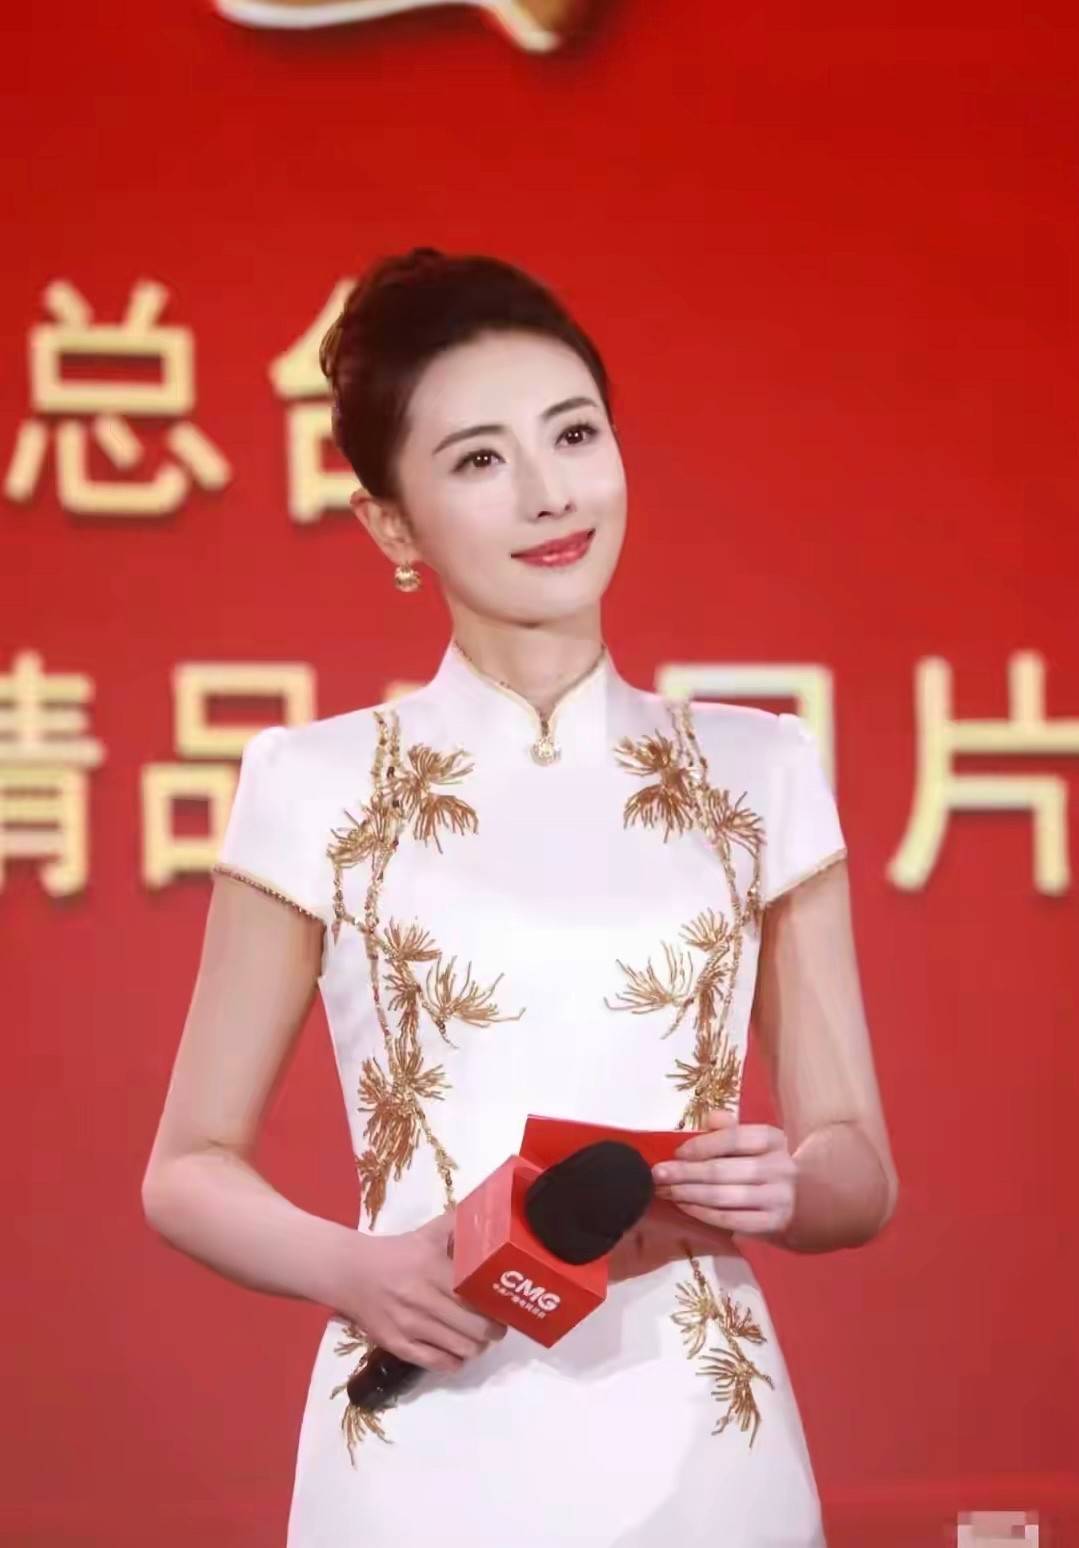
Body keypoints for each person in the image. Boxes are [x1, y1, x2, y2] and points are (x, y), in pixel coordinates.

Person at [142, 247, 898, 1547]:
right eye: (480, 459)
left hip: (705, 1446)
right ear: (391, 525)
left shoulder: (760, 769)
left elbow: (859, 1172)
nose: (550, 491)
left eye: (575, 433)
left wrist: (787, 1182)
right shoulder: (314, 784)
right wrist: (358, 1269)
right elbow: (186, 1168)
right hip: (424, 1432)